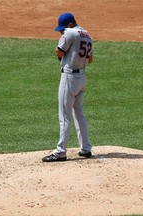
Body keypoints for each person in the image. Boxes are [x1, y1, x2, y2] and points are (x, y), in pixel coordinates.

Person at [42, 13, 93, 162]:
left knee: (64, 116)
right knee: (79, 113)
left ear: (70, 24)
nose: (61, 32)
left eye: (62, 29)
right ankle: (86, 148)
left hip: (69, 78)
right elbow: (90, 59)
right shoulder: (87, 34)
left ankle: (60, 152)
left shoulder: (70, 32)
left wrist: (64, 55)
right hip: (82, 78)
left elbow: (59, 51)